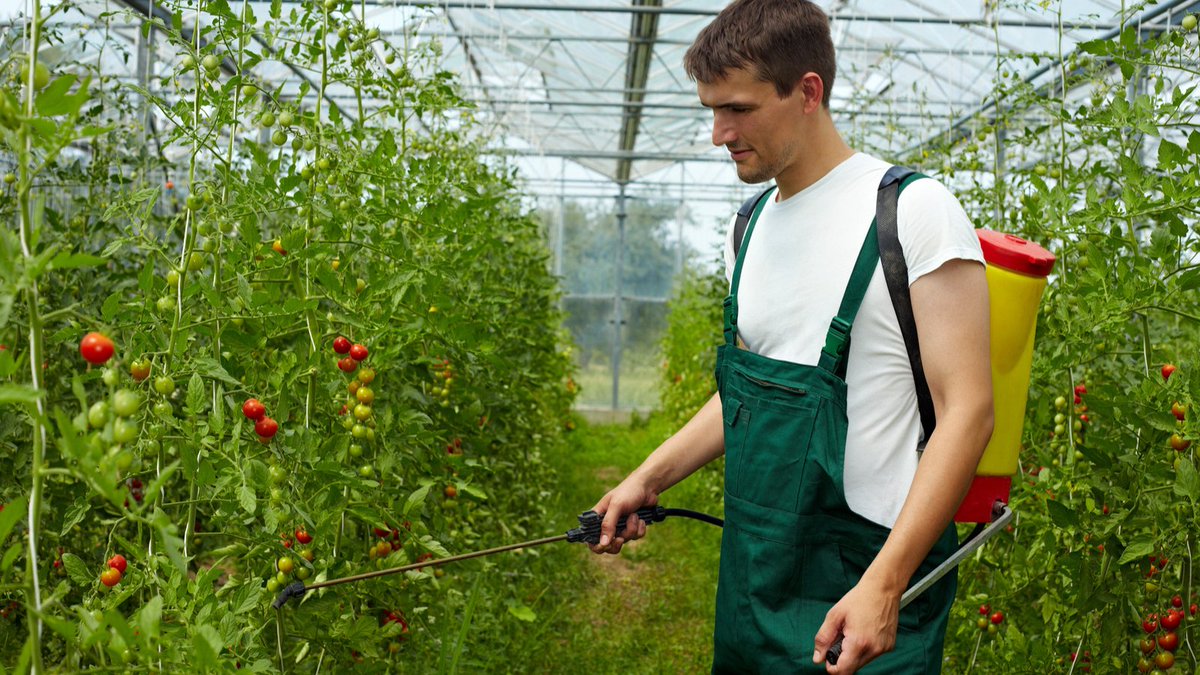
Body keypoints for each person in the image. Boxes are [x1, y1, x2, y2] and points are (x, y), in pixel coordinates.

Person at [587, 0, 994, 673]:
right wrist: (648, 476)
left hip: (870, 576)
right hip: (757, 575)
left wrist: (885, 585)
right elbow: (755, 392)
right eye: (711, 110)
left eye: (738, 109)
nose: (719, 132)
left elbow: (968, 413)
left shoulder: (910, 212)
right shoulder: (748, 229)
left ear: (808, 91)